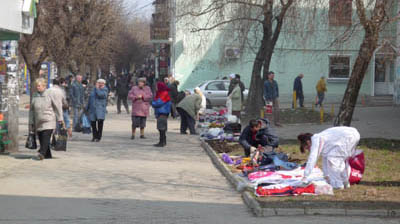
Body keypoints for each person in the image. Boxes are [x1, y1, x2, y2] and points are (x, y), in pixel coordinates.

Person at [29, 78, 63, 160]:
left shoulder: (50, 94)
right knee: (41, 138)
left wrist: (60, 118)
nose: (38, 87)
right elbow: (32, 110)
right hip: (38, 120)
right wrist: (31, 121)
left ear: (44, 86)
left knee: (46, 136)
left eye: (39, 86)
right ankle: (47, 155)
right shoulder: (35, 95)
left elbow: (57, 106)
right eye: (37, 86)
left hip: (49, 119)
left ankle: (42, 153)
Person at [152, 82, 171, 147]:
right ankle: (162, 141)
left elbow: (158, 103)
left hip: (163, 112)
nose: (156, 88)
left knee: (161, 127)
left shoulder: (164, 93)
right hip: (161, 112)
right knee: (161, 127)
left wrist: (152, 103)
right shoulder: (160, 93)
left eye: (157, 87)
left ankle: (162, 142)